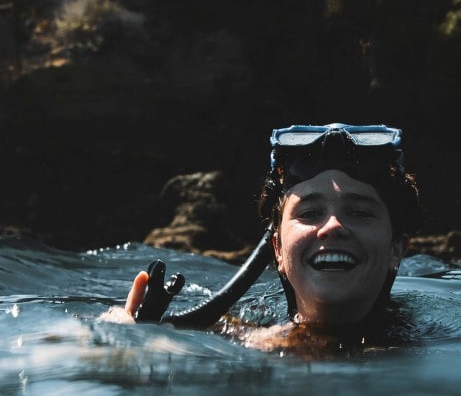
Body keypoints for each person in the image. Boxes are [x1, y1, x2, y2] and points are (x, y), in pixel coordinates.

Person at [112, 123, 424, 347]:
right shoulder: (228, 336)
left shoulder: (437, 344)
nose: (332, 226)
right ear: (276, 248)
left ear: (397, 249)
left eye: (359, 213)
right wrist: (125, 335)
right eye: (309, 213)